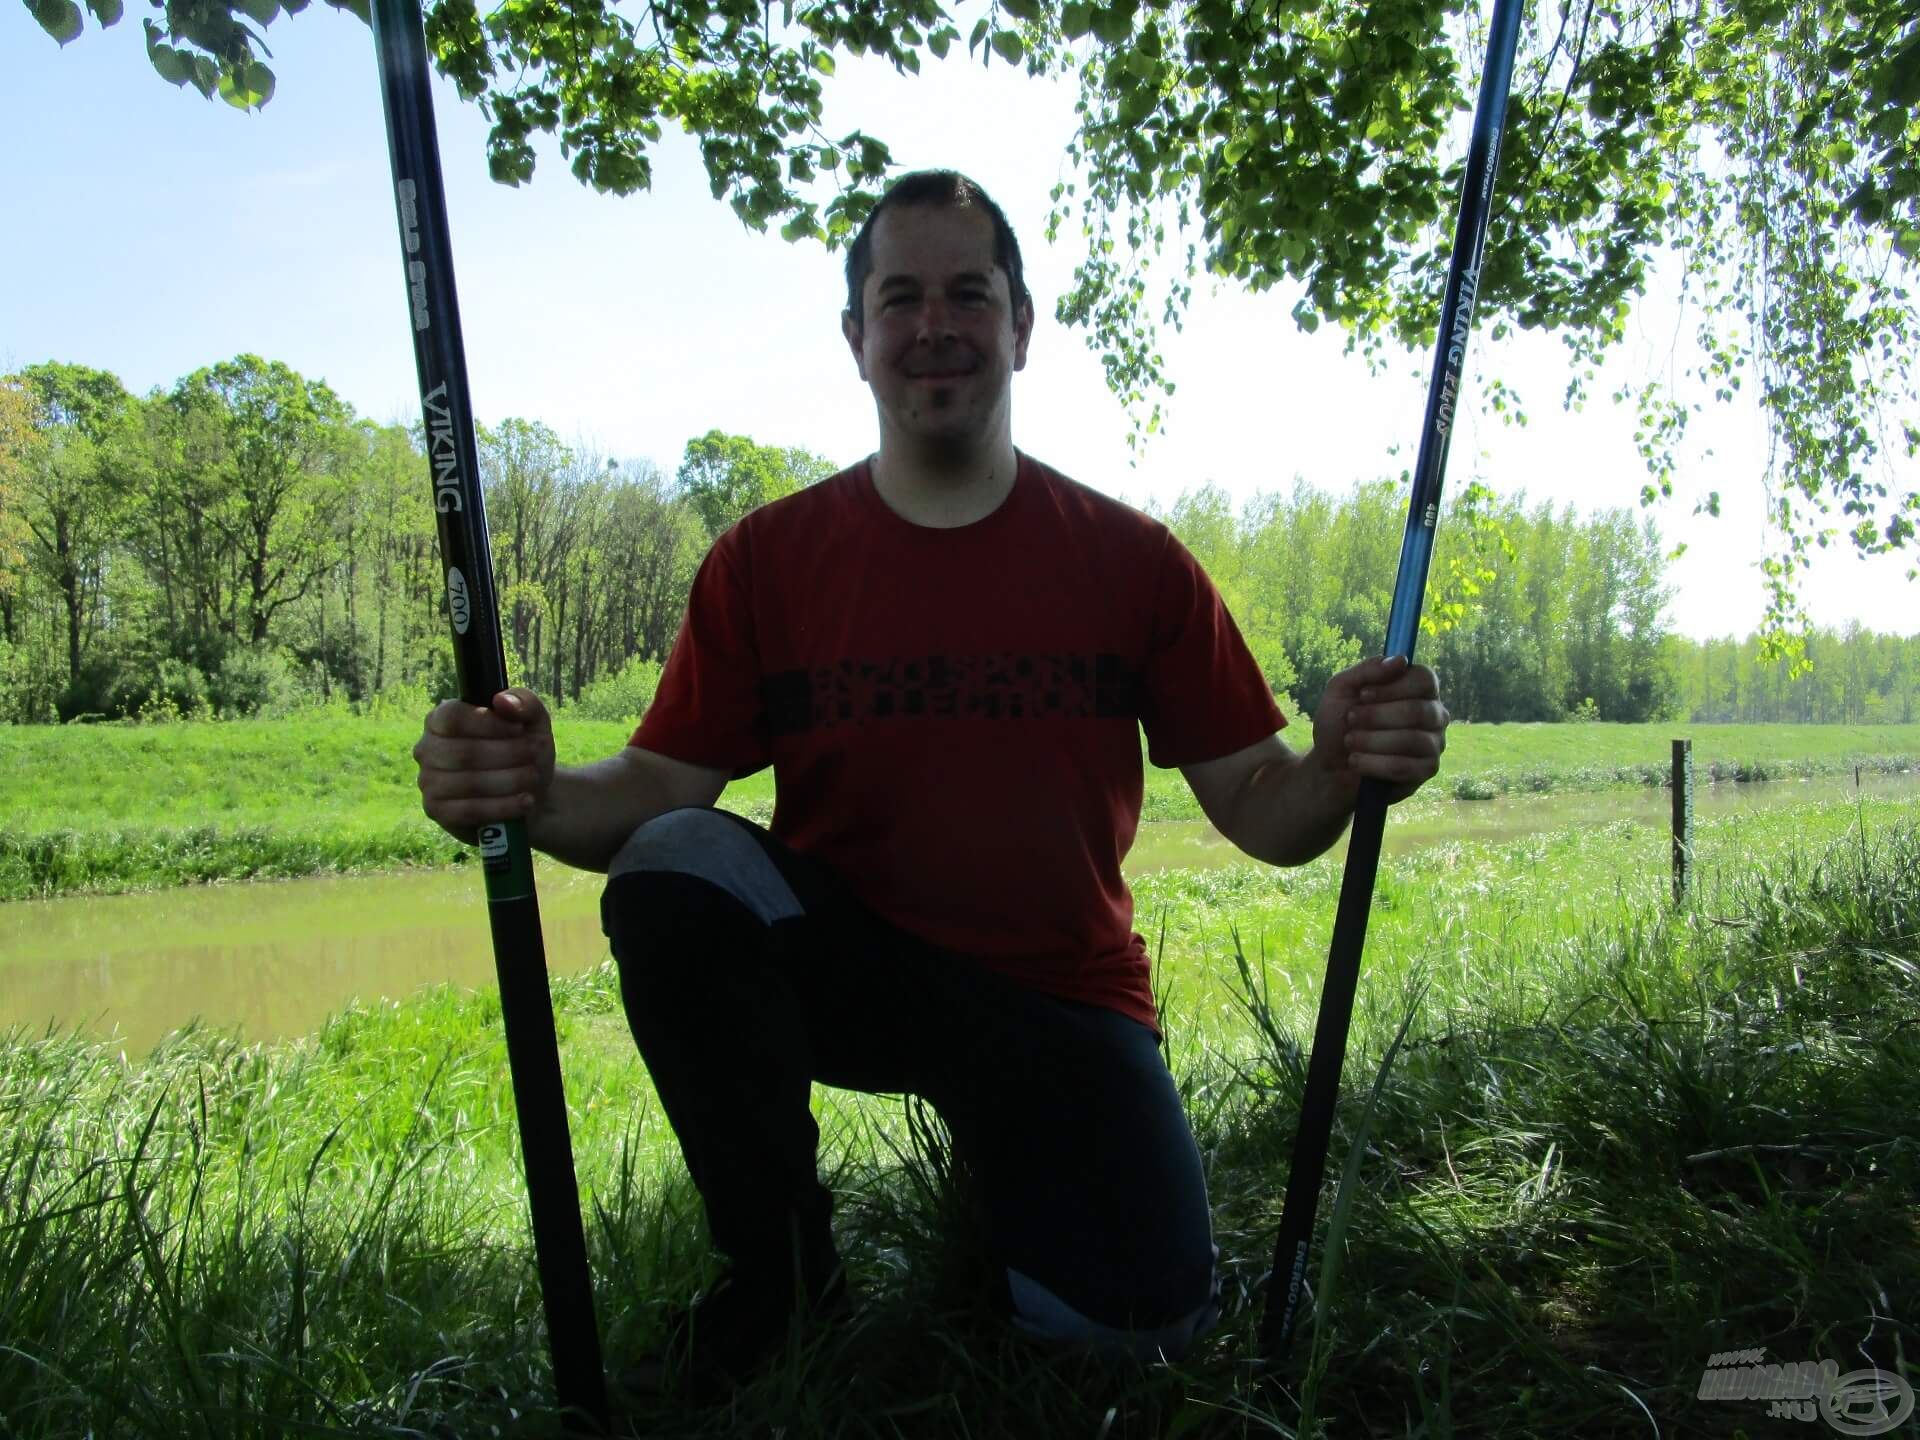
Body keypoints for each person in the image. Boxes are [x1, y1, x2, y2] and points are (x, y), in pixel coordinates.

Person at [413, 169, 1449, 1399]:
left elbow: (1264, 809)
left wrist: (1342, 763)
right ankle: (781, 1279)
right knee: (674, 866)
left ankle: (1013, 1167)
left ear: (1022, 324)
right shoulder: (766, 562)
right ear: (856, 339)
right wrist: (523, 787)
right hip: (850, 971)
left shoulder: (1135, 563)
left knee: (1135, 1344)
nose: (935, 325)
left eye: (970, 292)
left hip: (1062, 1002)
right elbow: (653, 789)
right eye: (899, 298)